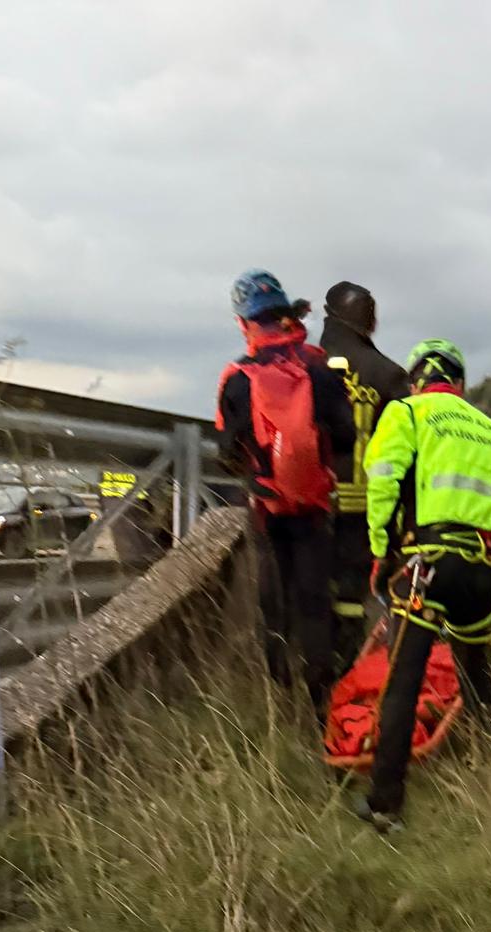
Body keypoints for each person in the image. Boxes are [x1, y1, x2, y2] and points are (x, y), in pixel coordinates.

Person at [353, 339, 491, 832]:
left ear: (416, 379)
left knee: (403, 679)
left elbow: (381, 481)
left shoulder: (407, 413)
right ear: (460, 384)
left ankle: (386, 804)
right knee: (476, 672)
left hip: (428, 563)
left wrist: (381, 552)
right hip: (482, 564)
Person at [216, 270, 355, 721]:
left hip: (267, 508)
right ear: (285, 312)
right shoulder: (319, 368)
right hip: (314, 507)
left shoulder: (237, 378)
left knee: (274, 604)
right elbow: (347, 437)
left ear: (244, 322)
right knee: (315, 599)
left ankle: (281, 700)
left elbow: (225, 452)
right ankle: (321, 703)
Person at [318, 283, 409, 673]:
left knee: (312, 590)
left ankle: (308, 676)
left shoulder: (306, 366)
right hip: (367, 506)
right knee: (354, 594)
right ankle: (351, 667)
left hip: (311, 502)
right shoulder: (388, 374)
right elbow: (408, 448)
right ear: (369, 321)